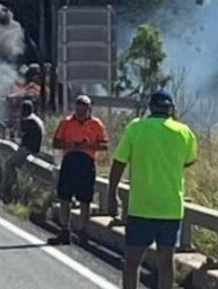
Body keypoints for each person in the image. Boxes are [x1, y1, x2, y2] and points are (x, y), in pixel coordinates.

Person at [107, 91, 198, 289]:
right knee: (166, 263)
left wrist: (112, 194)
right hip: (171, 208)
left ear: (151, 107)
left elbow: (118, 163)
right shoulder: (184, 132)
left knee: (132, 262)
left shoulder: (136, 127)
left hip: (141, 208)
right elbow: (189, 161)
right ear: (171, 109)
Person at [48, 94, 108, 245]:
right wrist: (70, 145)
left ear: (89, 108)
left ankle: (83, 232)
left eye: (84, 108)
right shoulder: (66, 122)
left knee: (85, 199)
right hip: (70, 161)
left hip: (86, 162)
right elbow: (56, 142)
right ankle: (64, 230)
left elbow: (104, 145)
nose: (81, 111)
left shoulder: (96, 124)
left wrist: (88, 145)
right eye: (78, 107)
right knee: (64, 198)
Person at [0, 100, 44, 201]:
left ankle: (7, 189)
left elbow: (20, 137)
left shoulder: (27, 120)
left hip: (28, 149)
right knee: (13, 164)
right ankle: (10, 187)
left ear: (24, 110)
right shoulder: (36, 119)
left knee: (9, 164)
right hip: (35, 149)